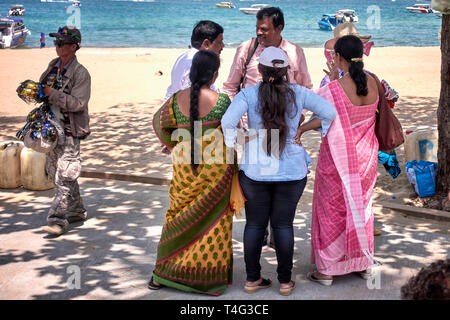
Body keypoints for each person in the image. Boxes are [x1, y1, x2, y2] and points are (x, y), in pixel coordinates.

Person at [221, 47, 336, 296]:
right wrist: (302, 129)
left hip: (255, 171)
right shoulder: (300, 93)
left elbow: (227, 123)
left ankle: (252, 280)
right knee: (283, 225)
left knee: (254, 225)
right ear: (286, 71)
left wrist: (243, 140)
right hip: (292, 172)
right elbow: (329, 113)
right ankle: (285, 282)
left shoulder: (248, 94)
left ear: (260, 70)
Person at [149, 50, 244, 296]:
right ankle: (207, 281)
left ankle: (163, 274)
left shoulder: (175, 100)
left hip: (184, 168)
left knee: (176, 214)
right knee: (215, 223)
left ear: (191, 73)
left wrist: (173, 145)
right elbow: (234, 132)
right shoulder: (222, 102)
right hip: (216, 171)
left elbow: (159, 125)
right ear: (214, 74)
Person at [223, 7, 313, 247]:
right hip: (253, 133)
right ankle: (260, 229)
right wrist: (240, 122)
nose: (259, 33)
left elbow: (306, 87)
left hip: (286, 130)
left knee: (283, 177)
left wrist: (299, 119)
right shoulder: (246, 49)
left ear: (279, 28)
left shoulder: (295, 52)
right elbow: (231, 87)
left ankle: (278, 231)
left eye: (265, 29)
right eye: (257, 29)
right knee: (258, 178)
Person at [305, 35, 380, 286]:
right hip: (366, 157)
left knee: (332, 210)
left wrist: (302, 129)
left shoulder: (332, 89)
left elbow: (322, 119)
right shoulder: (374, 83)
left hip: (338, 160)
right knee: (362, 208)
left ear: (337, 57)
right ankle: (362, 262)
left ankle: (326, 270)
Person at [40, 26, 91, 236]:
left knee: (64, 175)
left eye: (61, 43)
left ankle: (57, 220)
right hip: (51, 130)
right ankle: (77, 211)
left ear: (73, 47)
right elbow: (43, 88)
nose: (57, 46)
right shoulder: (52, 67)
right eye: (56, 42)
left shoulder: (81, 73)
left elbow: (79, 103)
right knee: (57, 173)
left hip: (70, 131)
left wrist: (52, 94)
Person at [164, 20, 224, 102]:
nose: (222, 46)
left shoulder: (183, 58)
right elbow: (189, 97)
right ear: (206, 44)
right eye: (219, 42)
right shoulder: (195, 63)